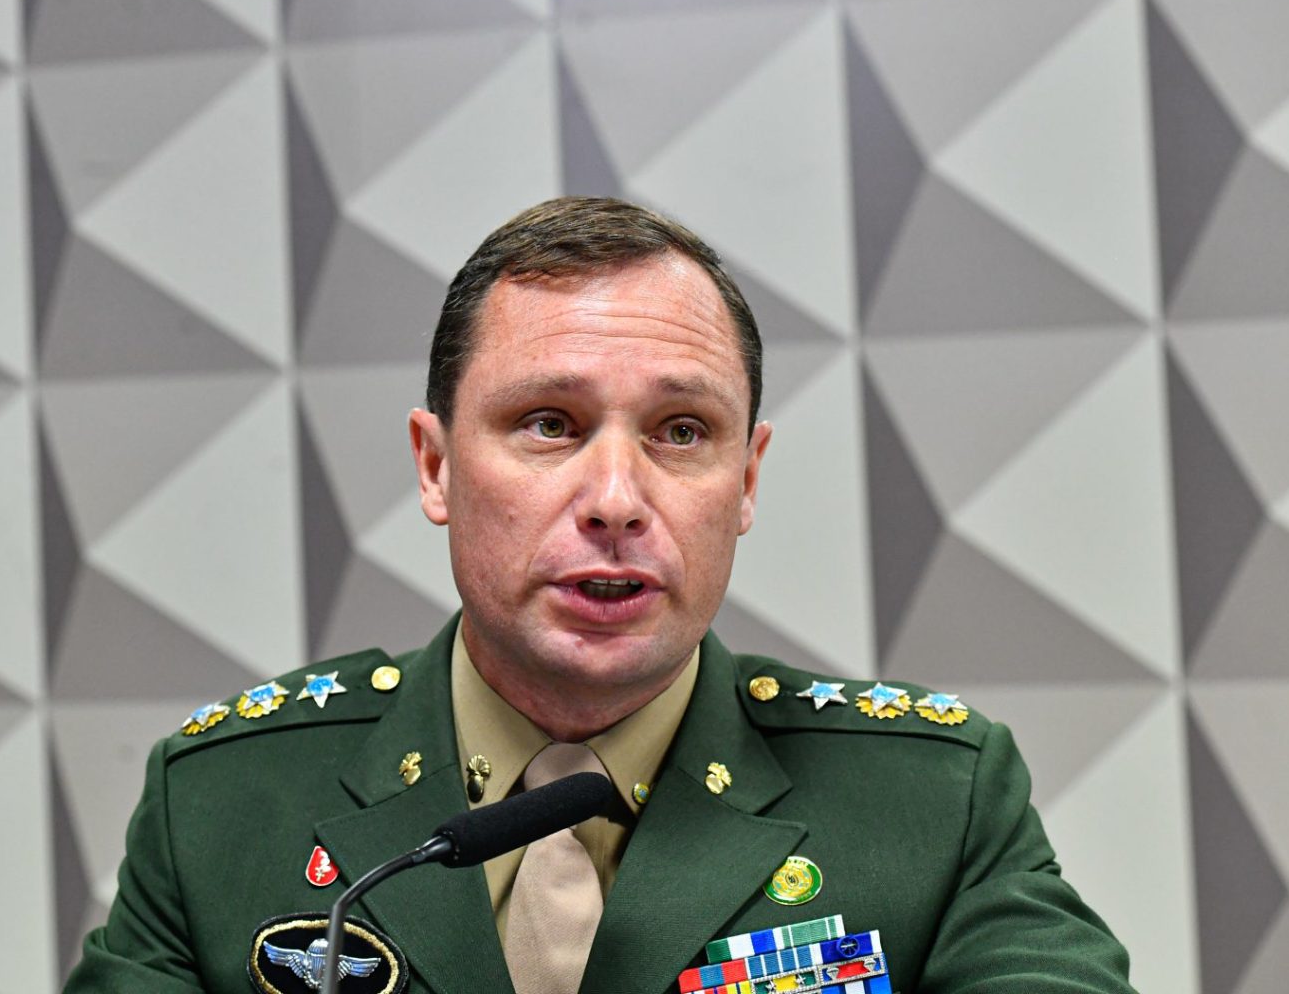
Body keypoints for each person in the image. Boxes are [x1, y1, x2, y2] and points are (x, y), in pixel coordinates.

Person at [65, 197, 1135, 994]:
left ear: (746, 481)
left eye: (682, 431)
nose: (617, 499)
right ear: (436, 466)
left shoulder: (931, 803)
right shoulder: (223, 804)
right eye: (549, 424)